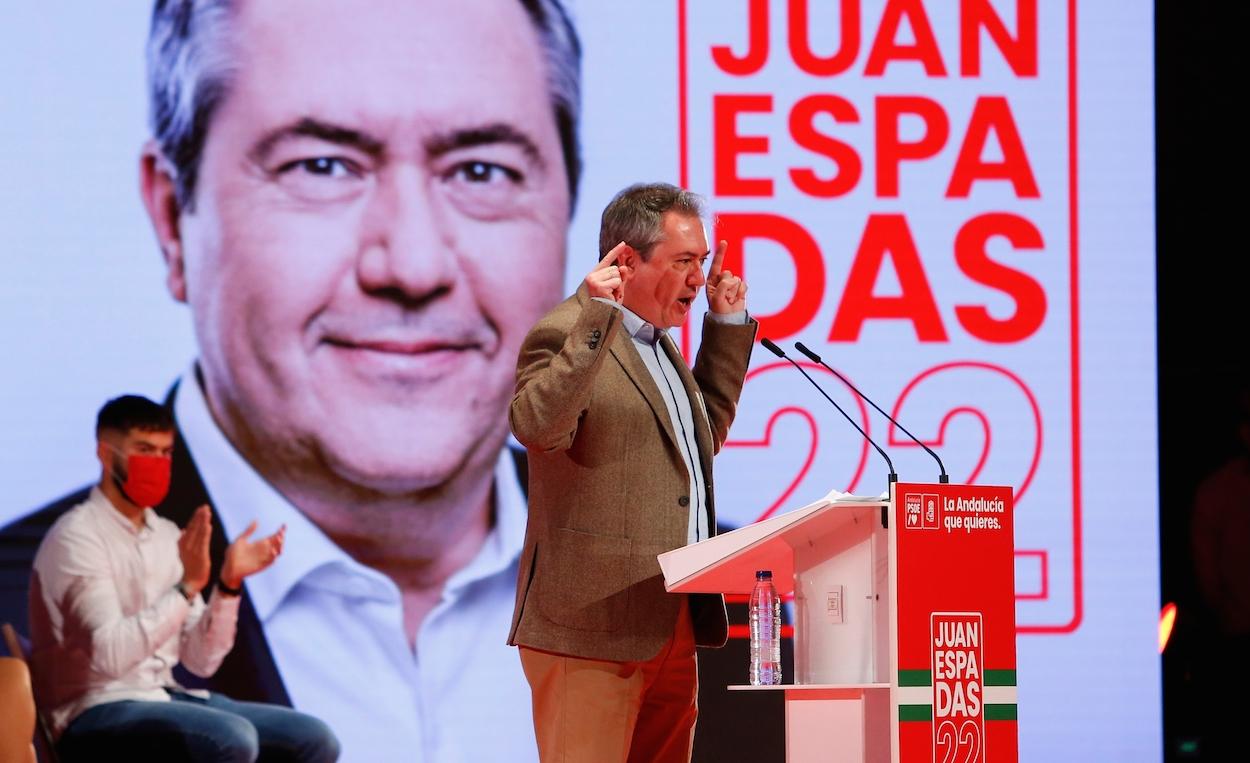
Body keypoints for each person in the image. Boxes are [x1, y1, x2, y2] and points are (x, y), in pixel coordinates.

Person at [0, 0, 580, 760]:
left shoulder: (724, 605)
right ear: (173, 216)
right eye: (322, 165)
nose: (411, 264)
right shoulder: (24, 624)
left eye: (482, 171)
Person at [508, 182, 757, 762]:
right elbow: (538, 428)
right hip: (591, 626)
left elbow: (700, 442)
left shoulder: (660, 344)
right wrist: (597, 316)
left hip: (672, 620)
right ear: (626, 260)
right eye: (684, 262)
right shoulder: (568, 330)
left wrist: (725, 327)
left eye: (702, 260)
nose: (699, 278)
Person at [31, 395, 339, 762]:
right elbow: (110, 657)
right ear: (106, 453)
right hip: (92, 712)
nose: (158, 464)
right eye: (144, 450)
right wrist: (186, 587)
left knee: (314, 738)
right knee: (230, 738)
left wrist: (228, 585)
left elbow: (201, 662)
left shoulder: (166, 535)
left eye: (166, 453)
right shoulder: (77, 536)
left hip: (163, 694)